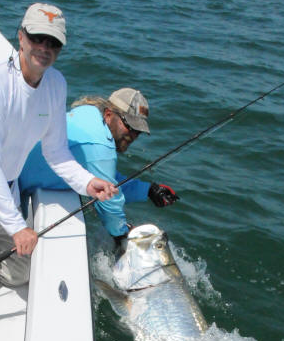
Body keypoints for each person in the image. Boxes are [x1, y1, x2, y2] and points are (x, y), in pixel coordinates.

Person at [0, 2, 116, 301]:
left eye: (53, 42)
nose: (44, 47)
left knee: (22, 273)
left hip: (5, 199)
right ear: (21, 38)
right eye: (37, 37)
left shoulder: (55, 84)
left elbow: (57, 151)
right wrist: (17, 227)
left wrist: (87, 183)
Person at [19, 87, 179, 242]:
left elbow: (105, 179)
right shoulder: (100, 144)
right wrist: (122, 234)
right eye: (129, 126)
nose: (133, 135)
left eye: (138, 131)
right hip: (9, 191)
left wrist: (147, 190)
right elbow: (109, 202)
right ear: (109, 114)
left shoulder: (90, 113)